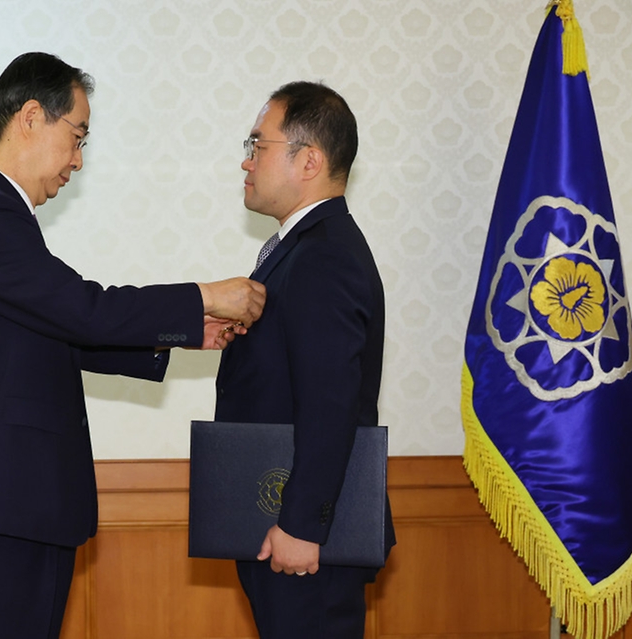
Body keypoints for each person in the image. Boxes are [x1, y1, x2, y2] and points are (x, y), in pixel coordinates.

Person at [0, 51, 265, 639]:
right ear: (31, 117)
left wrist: (181, 334)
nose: (78, 160)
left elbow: (56, 332)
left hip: (10, 510)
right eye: (76, 137)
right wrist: (202, 296)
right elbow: (82, 309)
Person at [213, 81, 395, 638]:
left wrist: (300, 525)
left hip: (306, 538)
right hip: (285, 523)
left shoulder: (323, 257)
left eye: (257, 145)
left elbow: (330, 402)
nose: (245, 161)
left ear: (309, 159)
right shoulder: (303, 249)